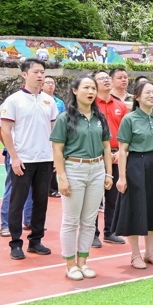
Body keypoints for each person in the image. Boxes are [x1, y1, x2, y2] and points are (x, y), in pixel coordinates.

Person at [50, 76, 113, 280]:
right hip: (73, 169)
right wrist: (62, 178)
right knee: (70, 220)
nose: (91, 91)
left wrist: (108, 172)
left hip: (96, 169)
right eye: (86, 87)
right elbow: (57, 150)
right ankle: (70, 265)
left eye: (93, 88)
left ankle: (83, 262)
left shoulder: (99, 117)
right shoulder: (65, 118)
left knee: (89, 220)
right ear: (75, 90)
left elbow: (106, 146)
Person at [114, 81, 153, 269]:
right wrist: (122, 177)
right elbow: (123, 150)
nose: (152, 95)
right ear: (137, 97)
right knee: (136, 209)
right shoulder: (130, 119)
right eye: (147, 92)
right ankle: (135, 255)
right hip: (136, 165)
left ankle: (150, 252)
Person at [1, 59, 59, 260]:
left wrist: (55, 158)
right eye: (36, 72)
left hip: (45, 159)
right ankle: (15, 243)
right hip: (23, 160)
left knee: (41, 202)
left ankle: (35, 241)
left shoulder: (49, 101)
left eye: (42, 72)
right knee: (17, 202)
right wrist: (14, 157)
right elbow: (6, 131)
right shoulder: (13, 100)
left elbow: (54, 131)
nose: (40, 76)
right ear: (24, 75)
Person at [92, 71, 127, 247]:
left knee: (113, 197)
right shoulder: (90, 105)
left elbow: (126, 132)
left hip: (116, 154)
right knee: (93, 197)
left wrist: (120, 152)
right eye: (101, 78)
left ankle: (110, 231)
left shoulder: (120, 105)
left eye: (107, 78)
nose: (106, 80)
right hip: (96, 155)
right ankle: (92, 234)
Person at [0, 106, 34, 237]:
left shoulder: (41, 102)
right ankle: (6, 224)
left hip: (33, 153)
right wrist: (10, 149)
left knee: (32, 187)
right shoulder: (11, 102)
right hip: (15, 153)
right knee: (12, 187)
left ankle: (29, 220)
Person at [42, 76, 64, 198]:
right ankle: (49, 188)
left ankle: (54, 188)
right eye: (48, 82)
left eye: (52, 83)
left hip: (56, 135)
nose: (50, 85)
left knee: (56, 162)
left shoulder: (59, 102)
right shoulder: (39, 100)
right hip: (44, 136)